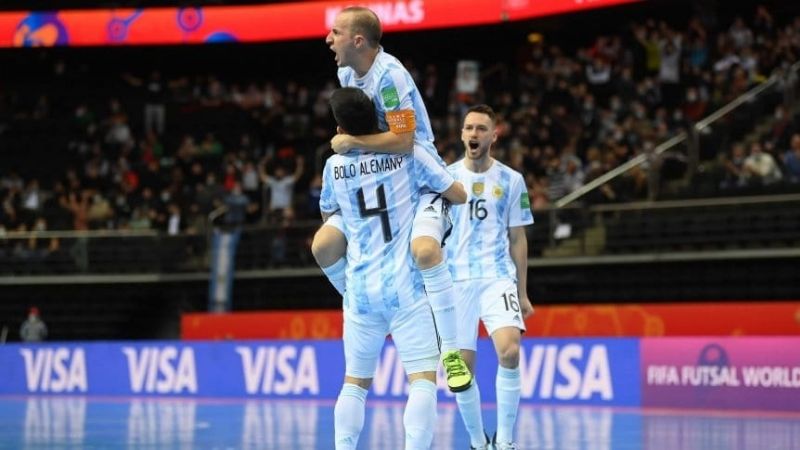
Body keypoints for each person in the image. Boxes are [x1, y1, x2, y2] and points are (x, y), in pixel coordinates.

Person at [313, 5, 473, 392]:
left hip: (414, 175)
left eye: (335, 32)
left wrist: (351, 142)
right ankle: (363, 301)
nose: (328, 39)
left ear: (358, 40)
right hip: (370, 176)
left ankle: (450, 349)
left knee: (424, 252)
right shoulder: (346, 72)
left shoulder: (390, 79)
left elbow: (403, 142)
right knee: (324, 246)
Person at [321, 87, 465, 449]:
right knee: (421, 380)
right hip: (406, 289)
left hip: (359, 292)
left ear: (340, 127)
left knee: (354, 383)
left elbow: (329, 219)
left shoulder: (334, 166)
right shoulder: (409, 155)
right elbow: (458, 194)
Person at [447, 105, 534, 450]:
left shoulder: (512, 180)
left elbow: (518, 238)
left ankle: (507, 442)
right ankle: (478, 442)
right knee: (460, 371)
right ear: (461, 134)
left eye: (482, 128)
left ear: (494, 135)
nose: (474, 134)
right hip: (456, 282)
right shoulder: (446, 178)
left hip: (497, 276)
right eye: (469, 127)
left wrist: (522, 293)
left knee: (510, 351)